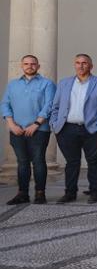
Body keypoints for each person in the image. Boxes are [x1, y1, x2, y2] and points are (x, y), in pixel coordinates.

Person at [50, 54, 97, 204]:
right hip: (67, 129)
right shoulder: (64, 83)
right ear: (74, 65)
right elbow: (56, 107)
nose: (81, 65)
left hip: (92, 129)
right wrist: (54, 124)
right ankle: (70, 193)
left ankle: (95, 192)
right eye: (78, 63)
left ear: (91, 66)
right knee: (72, 163)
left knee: (94, 162)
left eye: (84, 63)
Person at [1, 55, 55, 205]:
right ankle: (22, 193)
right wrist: (11, 124)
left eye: (33, 64)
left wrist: (36, 123)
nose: (29, 66)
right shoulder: (13, 85)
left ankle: (40, 193)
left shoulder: (47, 84)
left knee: (38, 161)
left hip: (39, 130)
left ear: (38, 66)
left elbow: (49, 105)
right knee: (22, 162)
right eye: (26, 64)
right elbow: (5, 104)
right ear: (21, 65)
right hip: (17, 130)